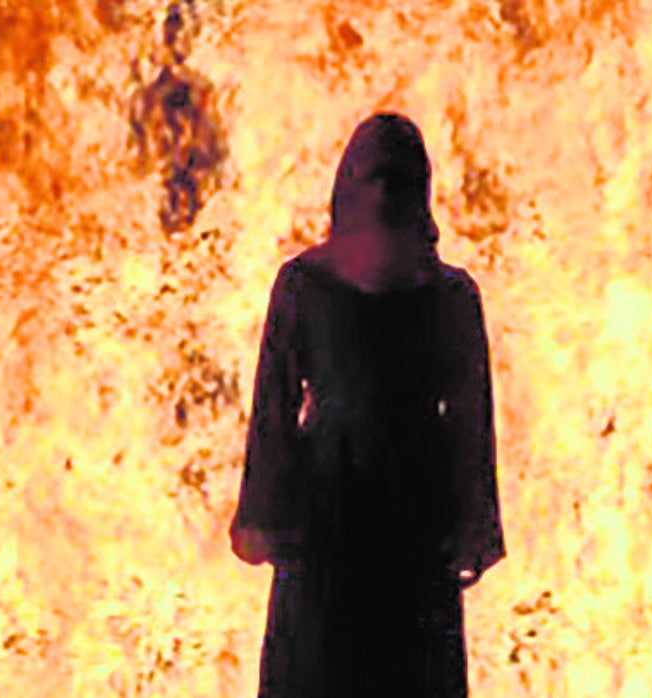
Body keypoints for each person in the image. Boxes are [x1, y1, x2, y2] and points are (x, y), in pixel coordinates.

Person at [229, 112, 506, 698]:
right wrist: (261, 513)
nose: (382, 194)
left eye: (396, 180)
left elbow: (471, 420)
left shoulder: (451, 296)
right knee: (318, 669)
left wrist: (476, 523)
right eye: (373, 178)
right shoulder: (304, 285)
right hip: (326, 513)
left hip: (415, 516)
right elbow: (274, 406)